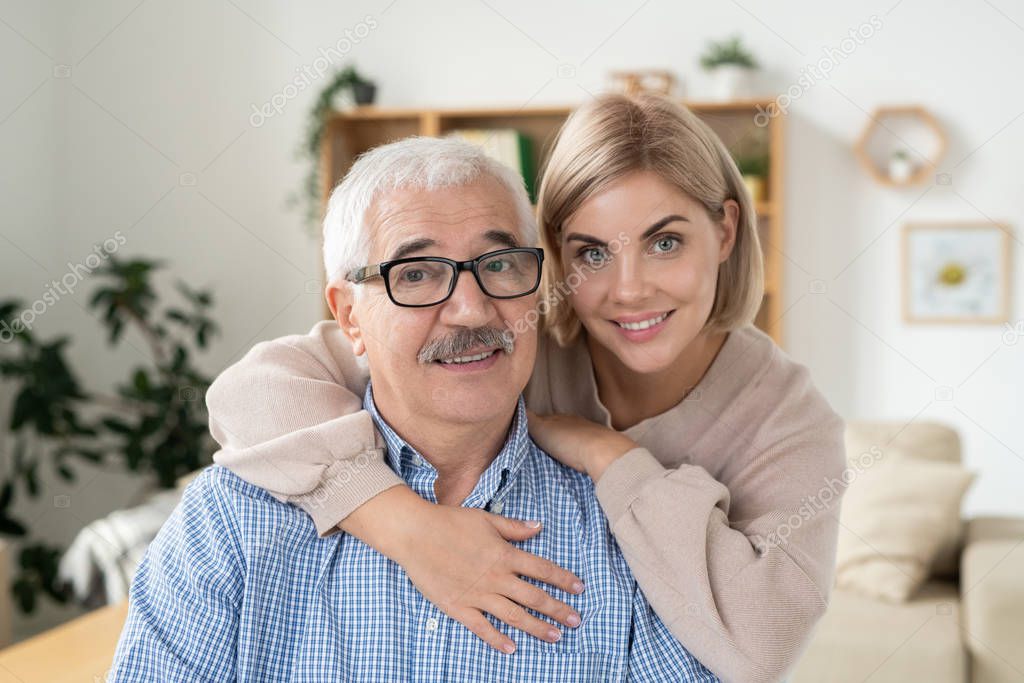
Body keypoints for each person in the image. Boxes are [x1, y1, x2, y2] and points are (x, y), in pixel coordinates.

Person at [207, 93, 847, 682]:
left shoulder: (789, 422)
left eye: (665, 241)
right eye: (591, 252)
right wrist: (408, 528)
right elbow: (250, 393)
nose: (629, 289)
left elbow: (759, 648)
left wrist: (611, 458)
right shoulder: (506, 335)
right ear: (555, 258)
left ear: (727, 231)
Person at [110, 135, 718, 682]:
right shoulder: (231, 522)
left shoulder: (623, 531)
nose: (472, 311)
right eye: (419, 273)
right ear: (349, 315)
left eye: (500, 264)